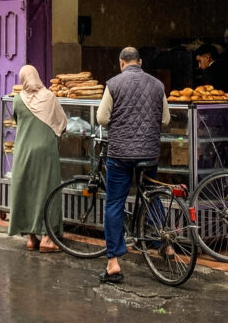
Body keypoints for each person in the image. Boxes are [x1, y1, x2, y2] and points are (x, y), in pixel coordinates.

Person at [96, 46, 170, 284]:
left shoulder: (114, 84)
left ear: (121, 63)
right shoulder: (157, 85)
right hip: (149, 153)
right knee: (152, 195)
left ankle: (113, 262)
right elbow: (166, 119)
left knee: (115, 203)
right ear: (140, 62)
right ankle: (165, 244)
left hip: (120, 155)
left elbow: (102, 118)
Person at [8, 64, 66, 252]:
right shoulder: (49, 97)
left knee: (27, 190)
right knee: (48, 191)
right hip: (46, 152)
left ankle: (31, 238)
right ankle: (48, 239)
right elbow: (62, 122)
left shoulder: (17, 100)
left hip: (24, 151)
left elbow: (17, 121)